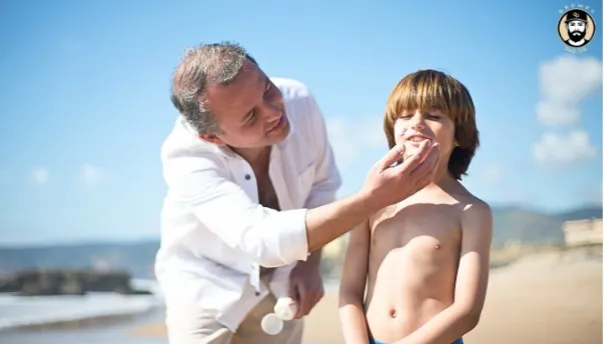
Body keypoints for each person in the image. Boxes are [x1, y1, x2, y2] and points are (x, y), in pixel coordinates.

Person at [155, 42, 440, 344]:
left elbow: (322, 184)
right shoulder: (186, 157)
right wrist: (372, 199)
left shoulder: (299, 101)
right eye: (251, 117)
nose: (274, 111)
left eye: (267, 90)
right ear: (212, 137)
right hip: (207, 285)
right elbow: (260, 239)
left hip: (282, 285)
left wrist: (308, 262)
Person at [338, 69, 493, 344]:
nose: (416, 123)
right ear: (392, 127)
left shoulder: (470, 211)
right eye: (405, 115)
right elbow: (349, 292)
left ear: (460, 133)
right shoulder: (372, 201)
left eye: (433, 116)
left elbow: (467, 311)